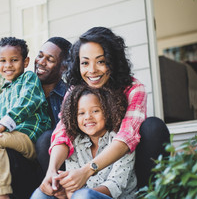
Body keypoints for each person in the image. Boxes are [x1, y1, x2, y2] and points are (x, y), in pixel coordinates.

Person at [39, 27, 170, 197]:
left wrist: (87, 170)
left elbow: (125, 138)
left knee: (153, 127)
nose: (92, 70)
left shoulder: (133, 89)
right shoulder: (75, 92)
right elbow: (63, 132)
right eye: (85, 62)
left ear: (113, 61)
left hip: (126, 165)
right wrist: (52, 171)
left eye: (100, 61)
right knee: (46, 140)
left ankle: (149, 194)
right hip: (86, 164)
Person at [0, 37, 72, 199]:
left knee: (45, 138)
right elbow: (1, 121)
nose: (41, 62)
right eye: (40, 55)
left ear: (63, 67)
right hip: (20, 161)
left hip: (48, 170)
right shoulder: (14, 88)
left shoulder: (69, 96)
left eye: (50, 59)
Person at [31, 85, 137, 199]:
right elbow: (73, 189)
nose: (88, 117)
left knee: (83, 195)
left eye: (95, 111)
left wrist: (76, 194)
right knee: (41, 194)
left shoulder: (119, 143)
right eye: (81, 113)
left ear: (108, 111)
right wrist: (63, 189)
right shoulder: (75, 143)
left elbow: (115, 186)